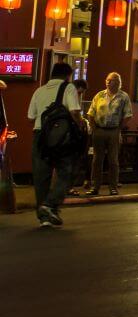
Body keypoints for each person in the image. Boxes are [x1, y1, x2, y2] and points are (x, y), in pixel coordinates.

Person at [27, 61, 85, 226]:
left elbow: (31, 117)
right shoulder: (69, 88)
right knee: (67, 171)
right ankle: (50, 204)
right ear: (68, 76)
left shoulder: (39, 90)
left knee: (41, 176)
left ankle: (44, 218)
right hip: (62, 138)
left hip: (39, 136)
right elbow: (74, 111)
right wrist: (80, 126)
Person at [86, 72, 132, 196]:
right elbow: (91, 112)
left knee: (113, 160)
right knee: (97, 160)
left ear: (118, 82)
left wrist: (119, 128)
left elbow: (128, 115)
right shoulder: (99, 95)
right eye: (107, 80)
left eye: (111, 80)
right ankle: (95, 186)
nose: (108, 82)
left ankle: (113, 186)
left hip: (113, 130)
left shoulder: (123, 97)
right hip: (99, 130)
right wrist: (93, 127)